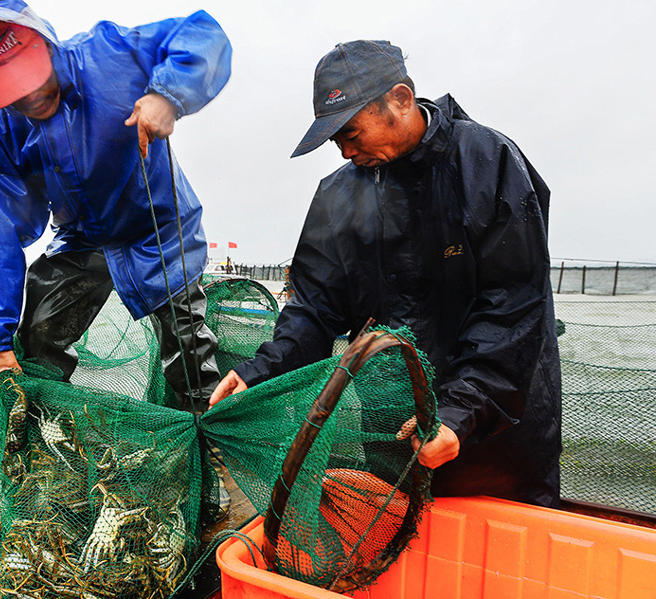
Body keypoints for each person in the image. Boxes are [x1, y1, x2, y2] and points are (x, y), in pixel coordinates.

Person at [210, 41, 562, 508]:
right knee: (398, 553)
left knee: (501, 561)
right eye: (336, 140)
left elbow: (513, 305)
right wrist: (260, 372)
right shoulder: (337, 194)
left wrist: (459, 413)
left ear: (399, 99)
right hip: (391, 427)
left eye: (352, 133)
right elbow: (314, 307)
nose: (343, 152)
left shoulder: (486, 162)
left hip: (493, 431)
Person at [0, 0, 232, 413]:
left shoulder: (109, 53)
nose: (29, 98)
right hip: (79, 240)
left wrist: (168, 95)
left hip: (159, 231)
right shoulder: (1, 136)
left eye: (31, 79)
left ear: (45, 46)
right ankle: (43, 448)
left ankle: (211, 449)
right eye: (12, 91)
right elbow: (2, 233)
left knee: (188, 355)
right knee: (37, 341)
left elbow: (203, 33)